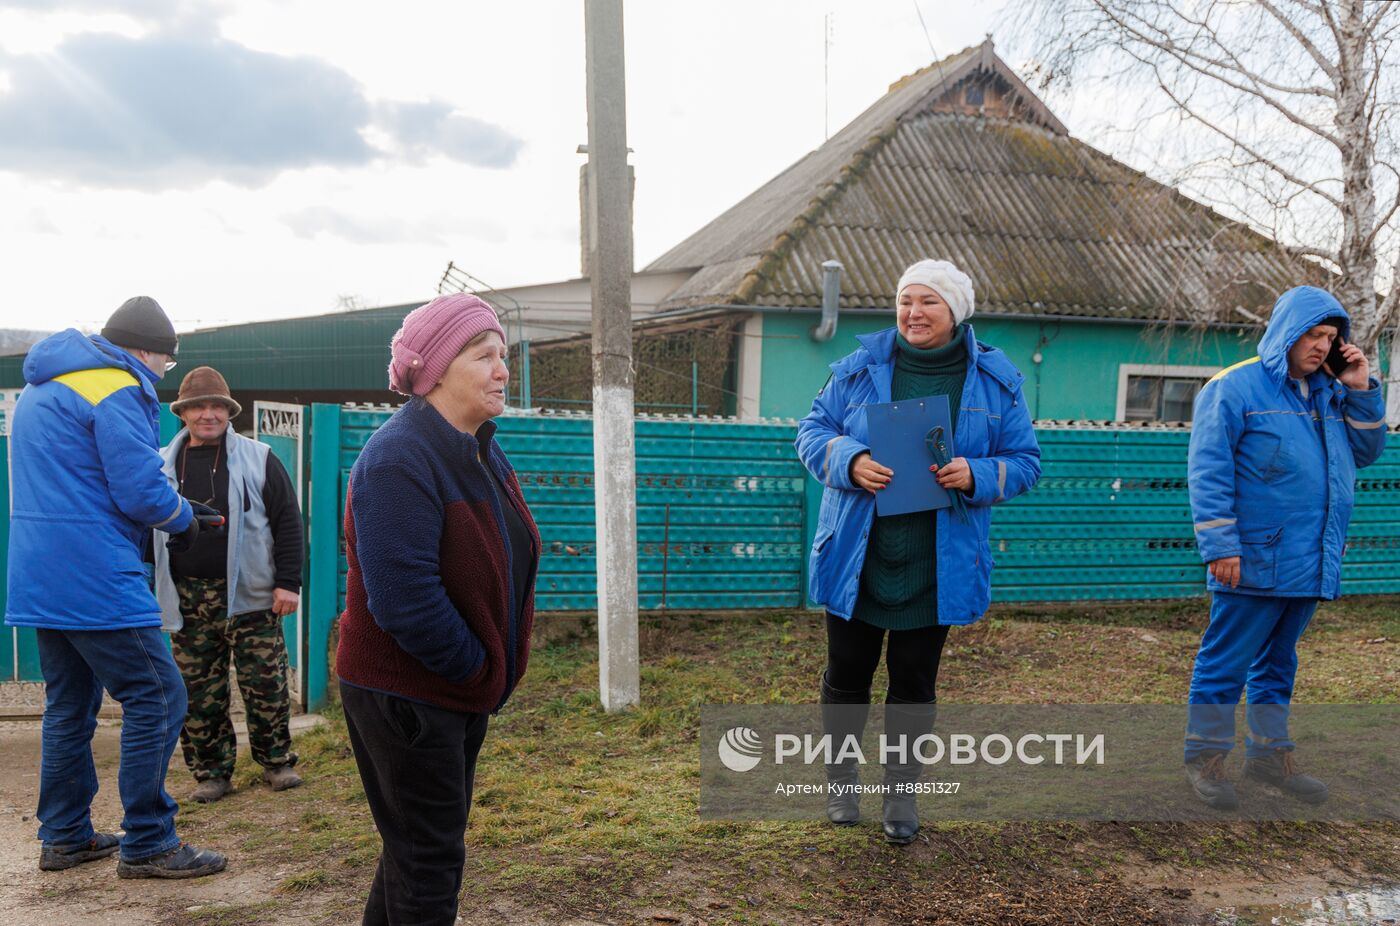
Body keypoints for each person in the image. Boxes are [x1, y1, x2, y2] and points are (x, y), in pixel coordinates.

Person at [794, 259, 1041, 844]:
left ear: (955, 310)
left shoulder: (995, 382)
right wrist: (850, 460)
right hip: (859, 552)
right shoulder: (858, 370)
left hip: (939, 561)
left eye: (928, 302)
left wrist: (977, 473)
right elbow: (811, 432)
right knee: (847, 673)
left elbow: (1026, 462)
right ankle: (841, 782)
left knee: (913, 680)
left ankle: (901, 797)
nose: (913, 313)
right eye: (906, 301)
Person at [3, 296, 226, 878]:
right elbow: (138, 491)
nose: (160, 375)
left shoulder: (42, 387)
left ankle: (66, 835)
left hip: (39, 572)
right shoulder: (119, 386)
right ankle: (150, 841)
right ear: (149, 351)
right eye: (166, 365)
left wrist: (174, 509)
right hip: (94, 571)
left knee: (69, 704)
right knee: (159, 695)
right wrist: (183, 519)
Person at [335, 293, 539, 925]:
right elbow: (405, 599)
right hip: (410, 697)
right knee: (429, 862)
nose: (503, 369)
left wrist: (484, 673)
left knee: (412, 851)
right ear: (440, 368)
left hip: (451, 691)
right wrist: (475, 667)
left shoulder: (476, 447)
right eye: (485, 356)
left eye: (502, 355)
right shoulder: (399, 458)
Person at [1185, 285, 1386, 810]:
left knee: (1278, 662)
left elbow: (1366, 451)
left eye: (1330, 337)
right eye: (1312, 335)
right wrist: (1219, 546)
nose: (1322, 346)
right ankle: (1205, 758)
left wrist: (1361, 387)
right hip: (1251, 555)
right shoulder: (1234, 388)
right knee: (1225, 660)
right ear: (1286, 333)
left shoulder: (1330, 392)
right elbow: (1208, 471)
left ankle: (1270, 756)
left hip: (1310, 554)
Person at [151, 366, 305, 803]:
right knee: (199, 690)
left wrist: (287, 583)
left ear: (229, 411)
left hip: (252, 595)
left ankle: (276, 763)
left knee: (267, 684)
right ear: (182, 413)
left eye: (217, 406)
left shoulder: (260, 457)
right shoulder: (161, 463)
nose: (208, 414)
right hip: (186, 597)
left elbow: (288, 524)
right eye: (198, 406)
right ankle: (211, 773)